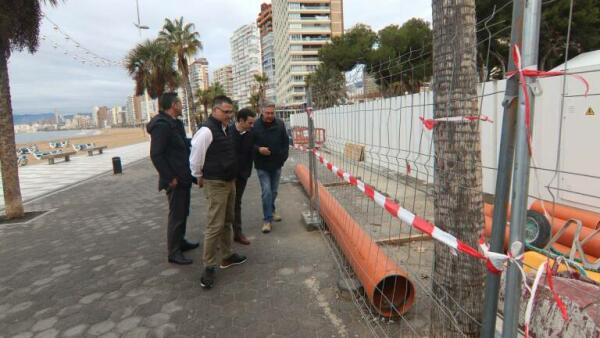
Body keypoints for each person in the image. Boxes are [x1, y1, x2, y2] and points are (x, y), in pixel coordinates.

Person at [190, 95, 247, 289]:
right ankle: (209, 266)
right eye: (226, 111)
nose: (229, 115)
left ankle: (227, 255)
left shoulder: (225, 129)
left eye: (231, 111)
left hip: (229, 181)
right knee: (214, 224)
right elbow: (196, 157)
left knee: (227, 220)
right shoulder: (206, 131)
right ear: (214, 110)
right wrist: (198, 175)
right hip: (215, 183)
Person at [147, 92, 198, 265]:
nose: (182, 106)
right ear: (173, 105)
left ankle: (181, 242)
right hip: (175, 180)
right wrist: (170, 178)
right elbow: (156, 155)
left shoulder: (175, 123)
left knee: (184, 212)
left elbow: (182, 144)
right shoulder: (161, 125)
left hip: (183, 176)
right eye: (180, 103)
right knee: (176, 215)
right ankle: (174, 252)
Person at [253, 101, 289, 234]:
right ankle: (267, 220)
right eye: (267, 113)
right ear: (262, 112)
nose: (269, 115)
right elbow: (249, 144)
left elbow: (286, 142)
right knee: (267, 191)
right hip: (262, 165)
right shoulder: (255, 125)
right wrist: (258, 149)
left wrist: (283, 158)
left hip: (277, 164)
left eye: (272, 113)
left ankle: (272, 210)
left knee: (273, 192)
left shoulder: (280, 124)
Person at [230, 108, 257, 245]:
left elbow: (252, 150)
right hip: (228, 177)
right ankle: (219, 238)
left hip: (242, 176)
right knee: (223, 207)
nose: (252, 126)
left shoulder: (250, 134)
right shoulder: (227, 132)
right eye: (250, 123)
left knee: (237, 204)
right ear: (241, 120)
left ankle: (238, 233)